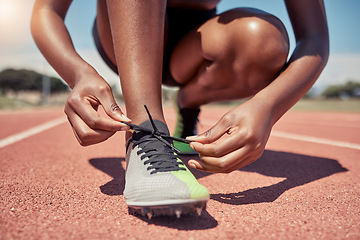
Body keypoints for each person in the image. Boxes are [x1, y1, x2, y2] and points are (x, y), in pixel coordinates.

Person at [31, 0, 329, 218]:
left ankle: (188, 104)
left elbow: (315, 38)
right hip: (121, 29)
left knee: (264, 41)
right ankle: (146, 133)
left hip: (192, 49)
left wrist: (268, 105)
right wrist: (79, 74)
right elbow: (46, 11)